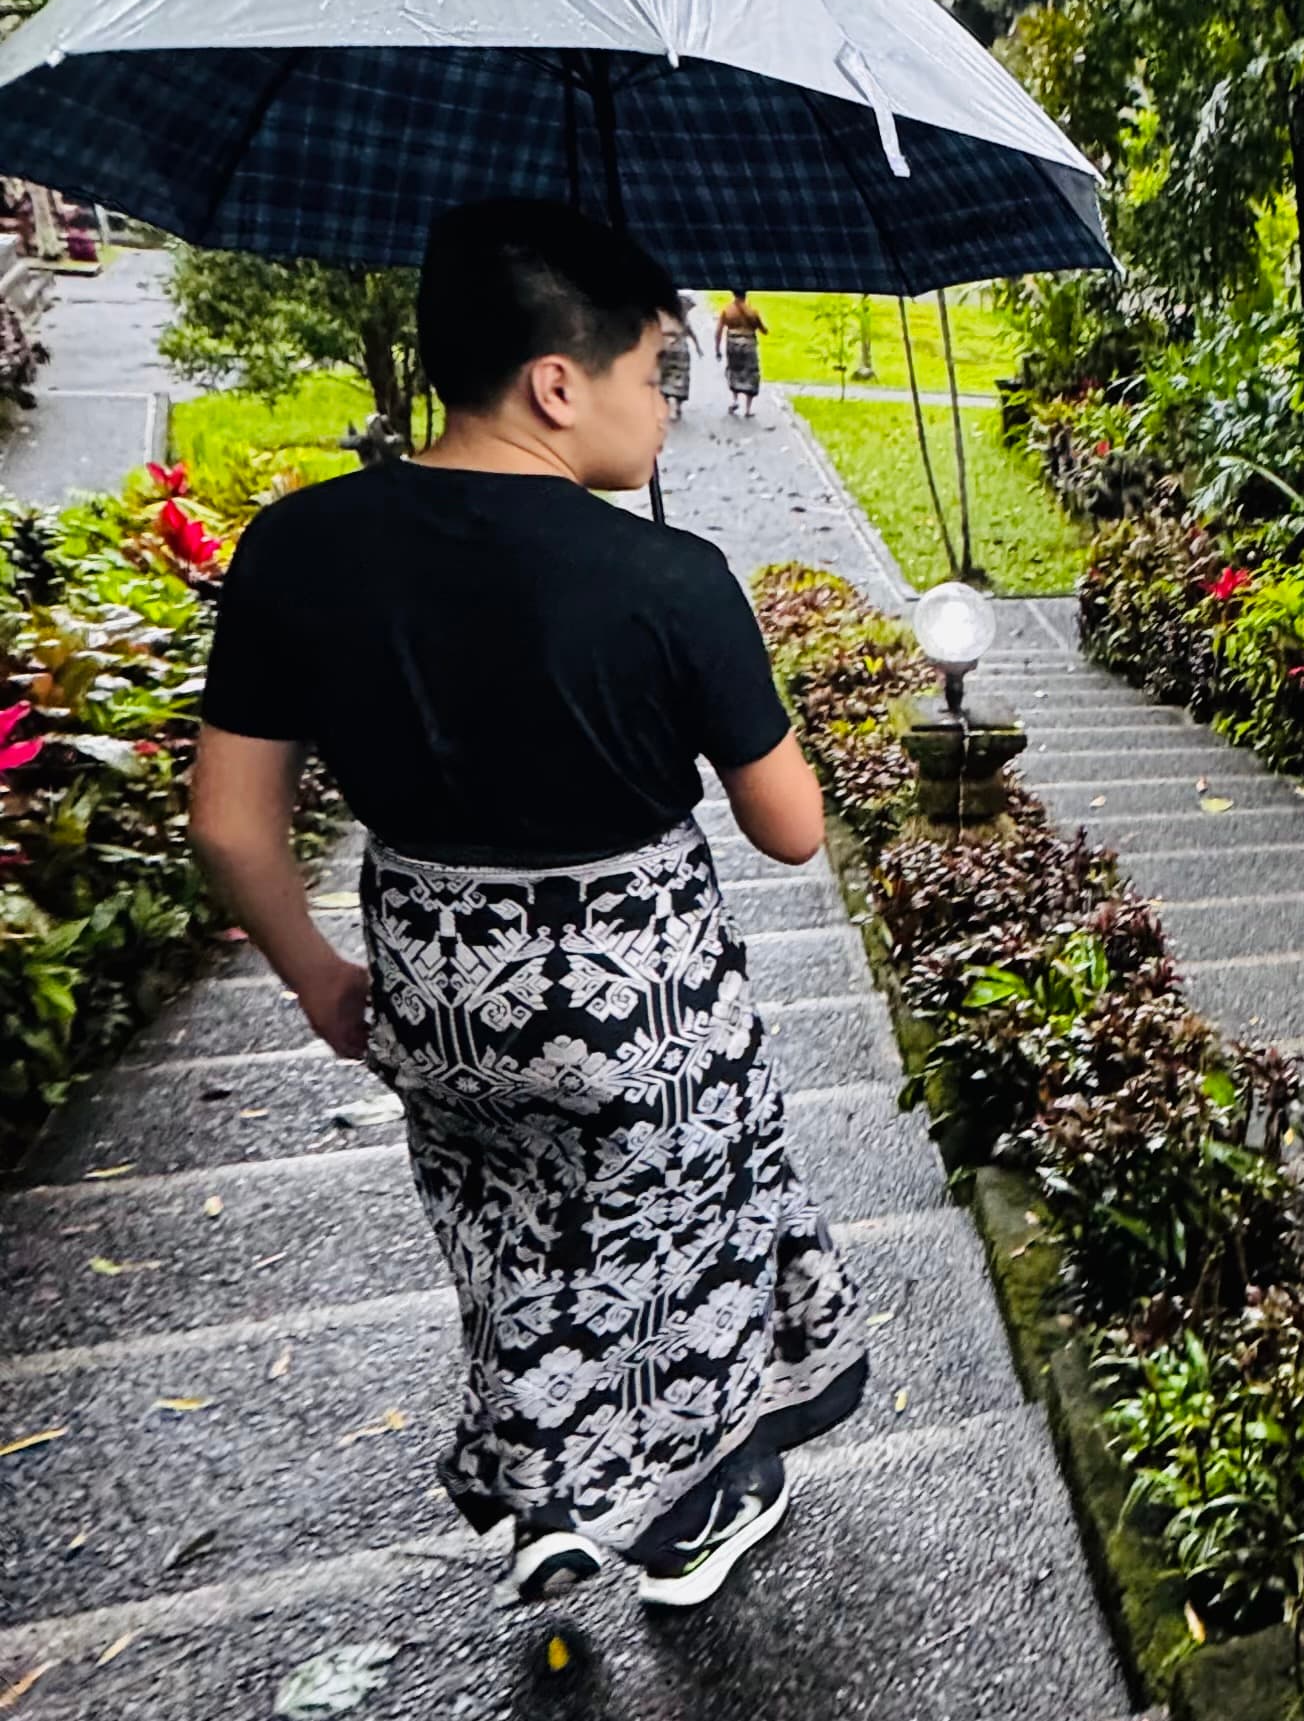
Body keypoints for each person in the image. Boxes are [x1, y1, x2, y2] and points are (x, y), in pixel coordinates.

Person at [189, 198, 867, 1611]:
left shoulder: (296, 548)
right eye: (653, 373)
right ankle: (687, 1517)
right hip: (641, 1004)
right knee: (685, 1235)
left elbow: (230, 823)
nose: (667, 407)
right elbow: (791, 831)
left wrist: (323, 982)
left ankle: (548, 1499)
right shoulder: (672, 580)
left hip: (438, 990)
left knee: (510, 1230)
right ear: (559, 383)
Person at [719, 288, 766, 414]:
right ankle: (748, 409)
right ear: (745, 295)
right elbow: (763, 330)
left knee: (734, 370)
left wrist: (717, 349)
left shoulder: (727, 310)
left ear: (733, 294)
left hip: (733, 346)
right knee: (751, 373)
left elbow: (718, 331)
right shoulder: (752, 312)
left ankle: (735, 400)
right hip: (749, 345)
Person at [660, 293, 699, 422]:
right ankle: (676, 405)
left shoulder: (666, 319)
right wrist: (698, 347)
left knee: (665, 375)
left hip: (666, 349)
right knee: (680, 376)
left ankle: (667, 403)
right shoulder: (683, 320)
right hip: (682, 350)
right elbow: (691, 333)